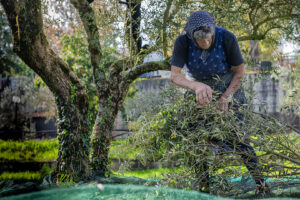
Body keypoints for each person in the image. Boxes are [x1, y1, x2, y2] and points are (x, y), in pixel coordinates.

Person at [170, 11, 270, 194]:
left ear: (213, 32)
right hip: (199, 94)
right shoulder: (182, 42)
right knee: (197, 141)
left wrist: (226, 97)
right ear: (192, 37)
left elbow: (239, 73)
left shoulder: (227, 38)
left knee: (238, 140)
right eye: (201, 43)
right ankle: (203, 189)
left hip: (229, 89)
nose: (205, 45)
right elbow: (175, 76)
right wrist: (196, 86)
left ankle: (261, 186)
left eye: (208, 41)